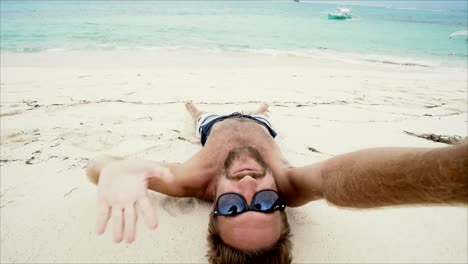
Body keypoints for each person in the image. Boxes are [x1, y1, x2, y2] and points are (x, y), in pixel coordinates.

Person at [86, 102, 468, 264]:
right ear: (283, 203)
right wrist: (454, 173)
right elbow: (333, 180)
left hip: (213, 126)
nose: (250, 186)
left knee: (200, 115)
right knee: (261, 114)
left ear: (214, 209)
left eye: (233, 208)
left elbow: (99, 166)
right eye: (267, 204)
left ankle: (198, 109)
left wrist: (110, 169)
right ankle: (259, 110)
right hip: (263, 129)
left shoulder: (190, 180)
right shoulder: (287, 182)